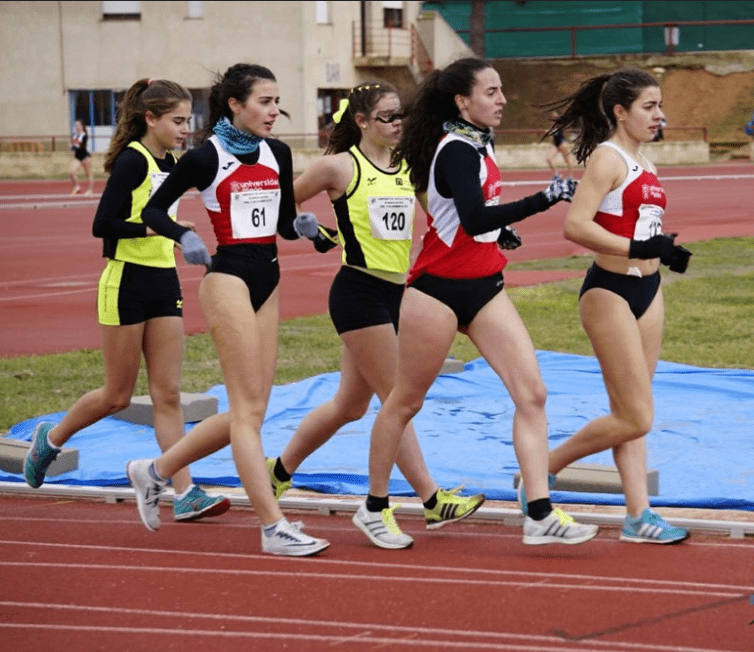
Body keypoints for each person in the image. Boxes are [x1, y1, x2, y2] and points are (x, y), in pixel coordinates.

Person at [353, 57, 599, 550]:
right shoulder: (457, 150)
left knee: (532, 394)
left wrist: (499, 231)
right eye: (491, 92)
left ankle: (540, 512)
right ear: (462, 102)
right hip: (436, 292)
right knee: (405, 401)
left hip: (485, 287)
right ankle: (374, 507)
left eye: (501, 90)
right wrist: (543, 199)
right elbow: (470, 217)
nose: (502, 98)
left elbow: (469, 217)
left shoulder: (478, 144)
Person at [266, 80, 485, 546]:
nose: (397, 125)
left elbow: (444, 216)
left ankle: (278, 470)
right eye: (386, 117)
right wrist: (306, 228)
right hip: (358, 294)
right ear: (361, 121)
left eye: (400, 115)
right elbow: (283, 200)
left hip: (396, 295)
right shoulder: (338, 167)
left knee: (349, 405)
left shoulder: (409, 168)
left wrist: (487, 231)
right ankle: (430, 500)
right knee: (398, 398)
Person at [130, 63, 333, 557]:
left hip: (269, 278)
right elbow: (153, 210)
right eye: (264, 102)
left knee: (254, 409)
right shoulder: (204, 157)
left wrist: (310, 229)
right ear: (234, 105)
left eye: (277, 102)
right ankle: (273, 526)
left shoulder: (278, 152)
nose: (274, 112)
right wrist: (183, 234)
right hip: (227, 280)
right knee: (246, 414)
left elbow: (283, 221)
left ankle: (153, 471)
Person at [23, 79, 230, 524]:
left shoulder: (172, 161)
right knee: (117, 395)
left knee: (168, 394)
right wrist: (154, 229)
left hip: (163, 283)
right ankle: (51, 439)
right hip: (124, 284)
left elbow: (158, 214)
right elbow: (104, 224)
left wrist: (175, 227)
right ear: (150, 119)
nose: (184, 129)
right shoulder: (133, 162)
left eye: (188, 120)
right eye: (177, 121)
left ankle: (185, 490)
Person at [522, 68, 692, 544]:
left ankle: (639, 516)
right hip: (609, 293)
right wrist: (637, 249)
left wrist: (662, 250)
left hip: (649, 290)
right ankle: (544, 468)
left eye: (660, 106)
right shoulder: (608, 158)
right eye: (649, 107)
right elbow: (575, 225)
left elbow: (637, 228)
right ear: (621, 111)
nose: (659, 116)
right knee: (637, 416)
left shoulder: (648, 165)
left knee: (633, 411)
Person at [545, 110, 576, 180]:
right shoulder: (553, 125)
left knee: (568, 161)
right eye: (553, 116)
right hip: (556, 145)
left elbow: (556, 132)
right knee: (549, 159)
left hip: (563, 144)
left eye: (555, 116)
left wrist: (549, 132)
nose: (554, 118)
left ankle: (570, 177)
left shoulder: (560, 124)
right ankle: (557, 174)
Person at [70, 119, 95, 195]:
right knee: (72, 172)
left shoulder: (84, 135)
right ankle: (77, 187)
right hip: (77, 157)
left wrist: (74, 146)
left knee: (88, 174)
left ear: (82, 126)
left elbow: (81, 146)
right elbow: (73, 146)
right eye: (76, 126)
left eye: (78, 125)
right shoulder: (74, 135)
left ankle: (90, 190)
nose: (77, 127)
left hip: (85, 157)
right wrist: (73, 146)